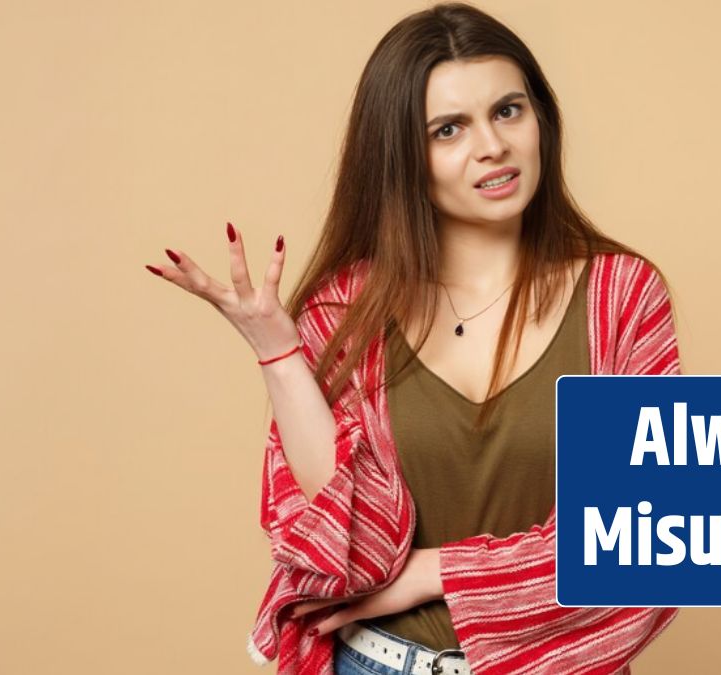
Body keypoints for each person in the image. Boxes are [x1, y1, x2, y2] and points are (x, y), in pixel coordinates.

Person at [145, 3, 681, 673]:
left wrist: (435, 571)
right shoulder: (348, 310)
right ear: (402, 156)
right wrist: (278, 353)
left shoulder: (621, 297)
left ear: (541, 119)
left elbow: (648, 543)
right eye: (449, 128)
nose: (492, 145)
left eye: (508, 110)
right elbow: (348, 554)